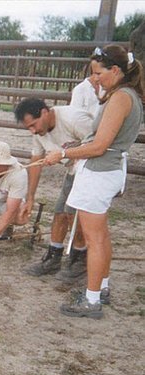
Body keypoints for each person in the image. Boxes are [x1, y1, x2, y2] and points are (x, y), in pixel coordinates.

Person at [44, 44, 144, 319]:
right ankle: (102, 288)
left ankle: (91, 301)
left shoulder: (121, 98)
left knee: (94, 238)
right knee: (100, 235)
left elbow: (100, 146)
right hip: (106, 170)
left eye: (98, 73)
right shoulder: (126, 95)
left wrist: (63, 153)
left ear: (115, 70)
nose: (95, 79)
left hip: (100, 172)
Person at [14, 98, 94, 280]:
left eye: (33, 125)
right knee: (60, 212)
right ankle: (54, 256)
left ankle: (80, 258)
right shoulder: (38, 132)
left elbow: (99, 145)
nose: (33, 131)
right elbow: (36, 162)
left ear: (44, 112)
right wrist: (30, 197)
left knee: (74, 215)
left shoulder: (74, 119)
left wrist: (65, 155)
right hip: (73, 172)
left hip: (91, 171)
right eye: (29, 128)